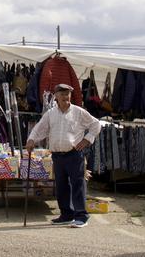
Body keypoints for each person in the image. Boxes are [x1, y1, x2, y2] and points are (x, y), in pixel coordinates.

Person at [26, 84, 101, 229]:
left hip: (74, 154)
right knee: (61, 186)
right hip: (57, 156)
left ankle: (81, 216)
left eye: (68, 94)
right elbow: (40, 128)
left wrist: (87, 139)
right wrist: (31, 140)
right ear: (56, 97)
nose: (66, 97)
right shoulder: (50, 114)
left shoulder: (79, 112)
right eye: (63, 94)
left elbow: (96, 124)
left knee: (77, 185)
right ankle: (66, 214)